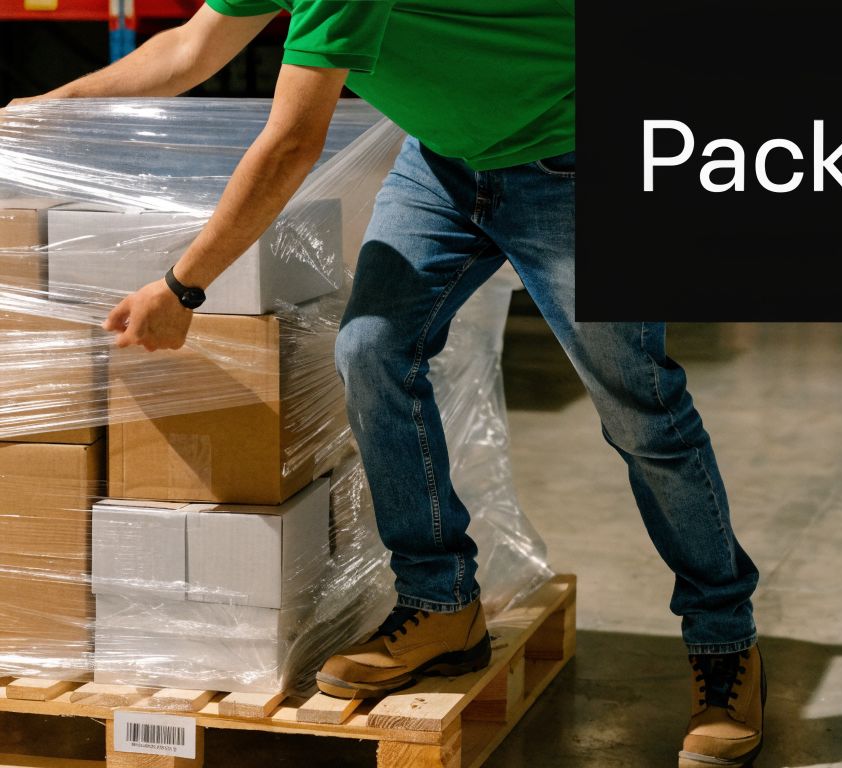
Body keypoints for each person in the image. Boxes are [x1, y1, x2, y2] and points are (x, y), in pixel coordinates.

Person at [7, 2, 765, 765]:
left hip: (568, 157)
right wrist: (48, 108)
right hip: (444, 163)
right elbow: (190, 47)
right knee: (371, 350)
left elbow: (291, 144)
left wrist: (182, 288)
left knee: (638, 406)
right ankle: (441, 604)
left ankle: (723, 643)